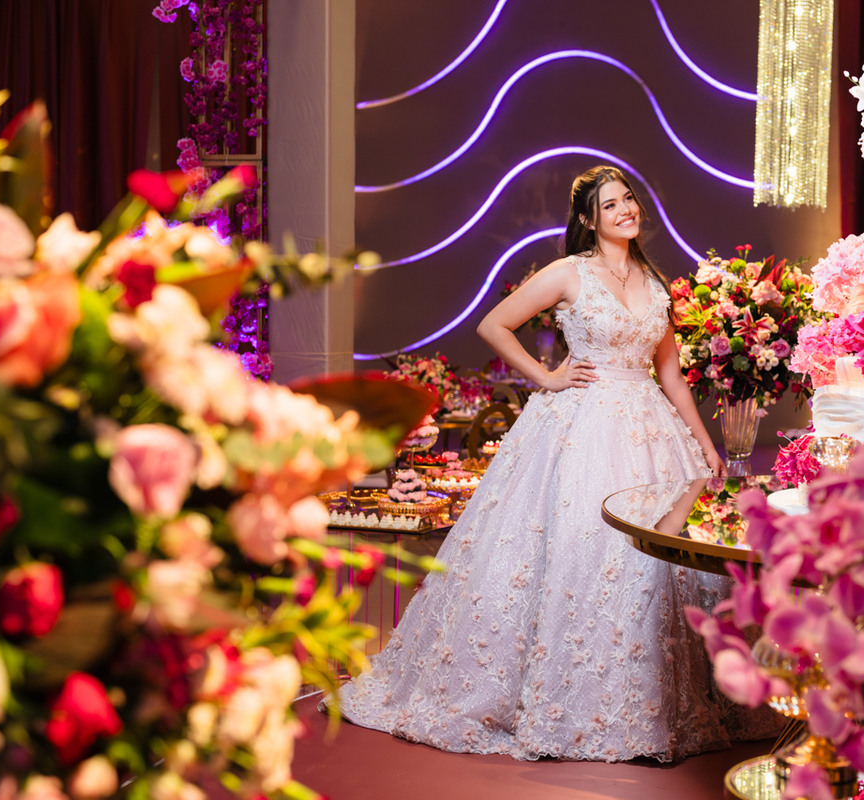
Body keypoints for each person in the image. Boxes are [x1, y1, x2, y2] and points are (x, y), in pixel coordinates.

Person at [327, 165, 778, 761]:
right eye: (610, 204)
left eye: (629, 199)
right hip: (579, 428)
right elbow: (494, 323)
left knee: (656, 566)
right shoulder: (569, 272)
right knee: (578, 551)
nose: (625, 210)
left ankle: (656, 701)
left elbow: (670, 373)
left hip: (650, 432)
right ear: (589, 220)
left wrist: (703, 442)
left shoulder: (654, 281)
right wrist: (546, 376)